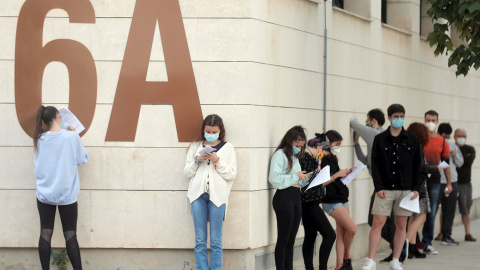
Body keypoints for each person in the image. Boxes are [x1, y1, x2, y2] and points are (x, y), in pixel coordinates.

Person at [362, 104, 422, 270]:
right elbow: (376, 164)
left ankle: (396, 259)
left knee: (402, 224)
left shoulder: (411, 139)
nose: (399, 119)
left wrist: (416, 188)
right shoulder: (380, 139)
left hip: (405, 189)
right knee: (377, 223)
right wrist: (379, 185)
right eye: (395, 116)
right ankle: (371, 260)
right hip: (385, 188)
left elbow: (418, 165)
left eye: (401, 116)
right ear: (389, 118)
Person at [33, 105, 89, 270]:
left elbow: (38, 166)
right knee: (70, 235)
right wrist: (74, 134)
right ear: (59, 116)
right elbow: (82, 159)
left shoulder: (40, 139)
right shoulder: (71, 137)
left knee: (45, 233)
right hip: (67, 194)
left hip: (45, 193)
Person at [184, 114, 237, 270]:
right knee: (200, 240)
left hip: (218, 197)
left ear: (220, 131)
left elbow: (232, 174)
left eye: (214, 132)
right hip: (197, 196)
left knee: (215, 241)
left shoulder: (228, 148)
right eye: (208, 131)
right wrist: (196, 160)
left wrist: (217, 160)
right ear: (204, 130)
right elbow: (187, 173)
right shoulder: (195, 147)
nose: (211, 134)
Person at [351, 109, 399, 263]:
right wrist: (356, 144)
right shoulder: (381, 136)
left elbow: (353, 122)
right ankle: (398, 247)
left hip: (385, 185)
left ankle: (399, 246)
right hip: (383, 184)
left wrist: (353, 116)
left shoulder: (374, 134)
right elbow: (365, 162)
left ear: (373, 121)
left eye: (368, 120)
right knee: (385, 220)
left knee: (377, 221)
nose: (366, 123)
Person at [269, 125, 308, 270]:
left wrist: (307, 178)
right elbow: (274, 178)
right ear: (290, 140)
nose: (298, 148)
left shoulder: (294, 156)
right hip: (284, 198)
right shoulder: (280, 154)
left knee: (291, 240)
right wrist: (296, 176)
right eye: (296, 144)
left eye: (301, 145)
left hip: (295, 197)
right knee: (283, 240)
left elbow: (296, 178)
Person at [405, 122, 445, 259]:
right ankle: (405, 243)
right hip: (419, 186)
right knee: (422, 216)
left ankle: (412, 246)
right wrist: (437, 168)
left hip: (411, 185)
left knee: (413, 217)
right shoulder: (418, 146)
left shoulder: (408, 146)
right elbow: (421, 167)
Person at [299, 133, 336, 270]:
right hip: (309, 204)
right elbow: (305, 182)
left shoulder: (310, 159)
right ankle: (322, 267)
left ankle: (310, 267)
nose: (326, 155)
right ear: (319, 148)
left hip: (310, 203)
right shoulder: (305, 159)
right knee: (330, 235)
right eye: (325, 151)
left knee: (311, 235)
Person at [320, 130, 356, 270]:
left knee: (342, 232)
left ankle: (339, 265)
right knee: (352, 229)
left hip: (342, 197)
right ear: (328, 143)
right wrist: (337, 175)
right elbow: (322, 181)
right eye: (336, 144)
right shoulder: (321, 159)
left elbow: (336, 177)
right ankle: (347, 256)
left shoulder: (333, 158)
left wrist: (346, 173)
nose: (338, 147)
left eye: (339, 144)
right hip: (331, 200)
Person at [421, 110, 452, 255]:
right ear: (424, 120)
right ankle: (412, 241)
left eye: (433, 120)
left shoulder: (442, 141)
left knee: (431, 212)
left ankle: (427, 242)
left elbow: (446, 163)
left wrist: (449, 183)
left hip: (434, 181)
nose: (431, 123)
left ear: (437, 122)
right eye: (428, 120)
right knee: (416, 212)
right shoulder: (419, 138)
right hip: (419, 180)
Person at [434, 123, 463, 245]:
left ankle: (447, 235)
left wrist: (455, 155)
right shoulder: (434, 144)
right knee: (432, 211)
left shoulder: (453, 147)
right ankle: (427, 238)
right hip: (437, 182)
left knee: (449, 210)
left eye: (447, 137)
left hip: (452, 182)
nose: (445, 139)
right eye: (443, 136)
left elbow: (460, 163)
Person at [454, 128, 477, 241]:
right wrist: (463, 156)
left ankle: (467, 233)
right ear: (454, 137)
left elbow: (467, 161)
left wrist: (456, 156)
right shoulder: (450, 148)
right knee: (447, 209)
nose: (462, 138)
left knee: (465, 209)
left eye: (464, 136)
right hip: (452, 182)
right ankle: (442, 233)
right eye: (459, 136)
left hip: (465, 183)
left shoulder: (470, 149)